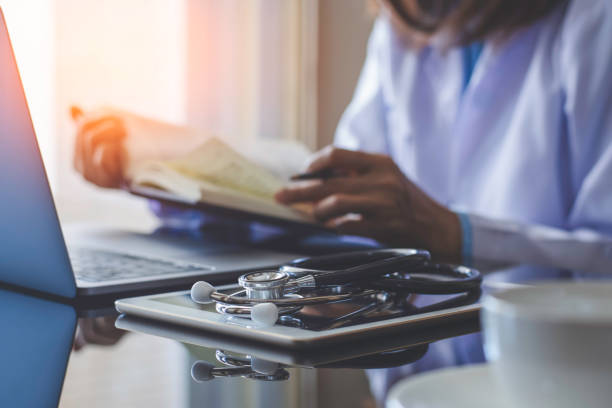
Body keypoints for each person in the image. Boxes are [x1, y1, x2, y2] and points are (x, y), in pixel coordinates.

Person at [73, 0, 612, 401]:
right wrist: (159, 175)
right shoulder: (402, 35)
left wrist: (457, 235)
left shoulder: (594, 26)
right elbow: (348, 220)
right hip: (415, 385)